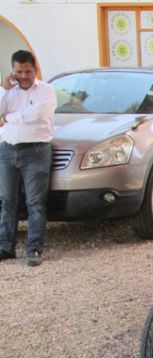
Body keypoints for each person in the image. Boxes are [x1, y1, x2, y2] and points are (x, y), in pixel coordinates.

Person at [0, 50, 57, 267]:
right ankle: (6, 247)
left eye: (28, 71)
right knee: (7, 202)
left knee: (35, 202)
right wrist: (3, 90)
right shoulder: (9, 92)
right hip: (7, 150)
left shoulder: (47, 91)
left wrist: (8, 118)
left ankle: (33, 249)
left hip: (36, 151)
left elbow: (38, 116)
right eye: (19, 72)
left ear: (36, 69)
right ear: (13, 72)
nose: (23, 76)